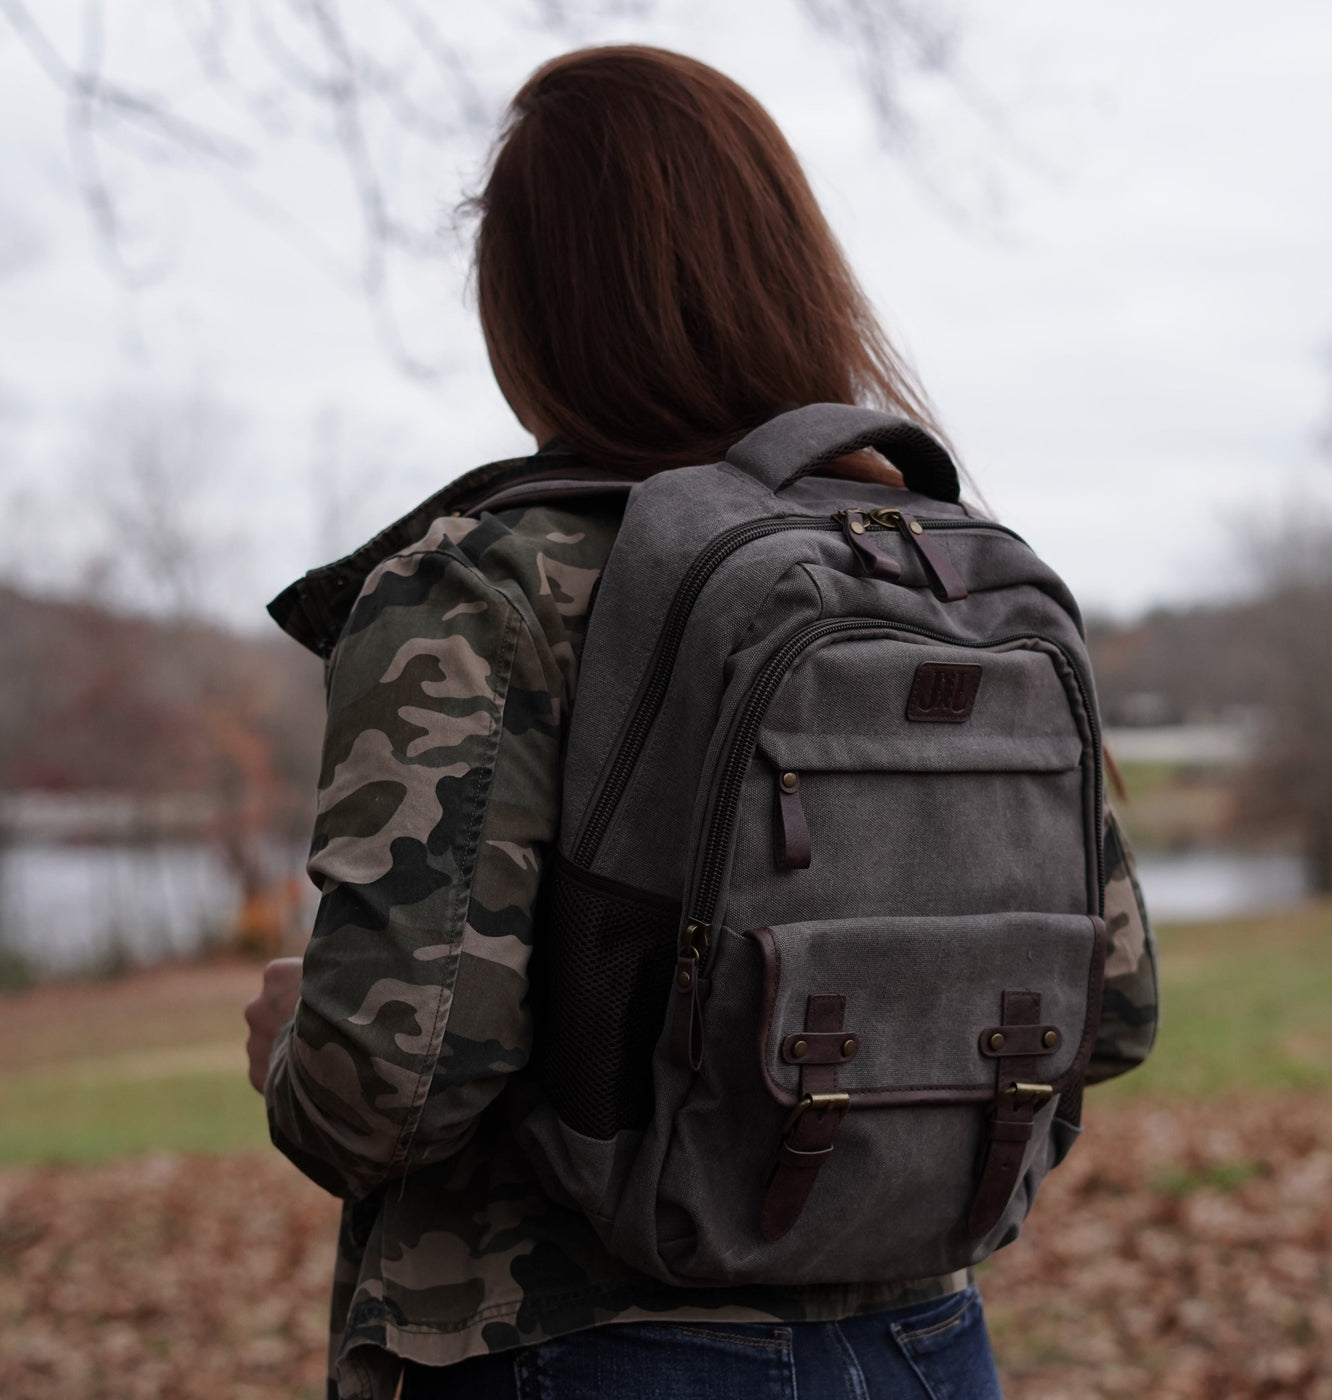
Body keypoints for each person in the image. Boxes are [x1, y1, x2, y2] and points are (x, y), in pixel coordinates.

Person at [244, 45, 1158, 1400]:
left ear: (533, 310)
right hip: (923, 1350)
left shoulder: (487, 587)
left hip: (572, 1349)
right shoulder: (935, 571)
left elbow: (399, 1078)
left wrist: (289, 1060)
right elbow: (1117, 1005)